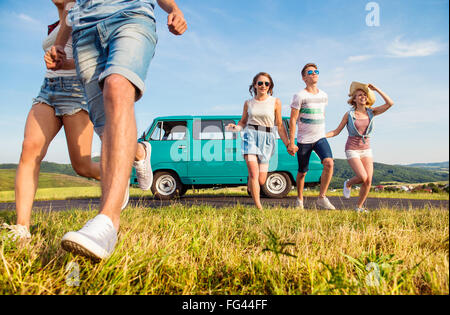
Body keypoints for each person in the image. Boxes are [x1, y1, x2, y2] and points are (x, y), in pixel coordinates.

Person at [45, 0, 187, 260]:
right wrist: (60, 42)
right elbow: (71, 5)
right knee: (105, 129)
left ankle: (107, 222)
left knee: (117, 85)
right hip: (84, 31)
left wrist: (174, 9)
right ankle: (140, 151)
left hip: (131, 14)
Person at [1, 0, 106, 241]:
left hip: (76, 91)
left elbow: (98, 59)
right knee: (30, 149)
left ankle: (117, 178)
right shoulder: (54, 24)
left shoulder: (81, 14)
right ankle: (21, 228)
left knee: (82, 166)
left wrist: (66, 63)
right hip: (48, 88)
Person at [326, 82, 394, 212]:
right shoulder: (349, 115)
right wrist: (322, 136)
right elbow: (336, 131)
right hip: (352, 149)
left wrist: (377, 89)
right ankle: (348, 183)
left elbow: (390, 103)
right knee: (362, 177)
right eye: (359, 95)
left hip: (366, 150)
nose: (362, 97)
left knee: (368, 181)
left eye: (364, 95)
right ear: (354, 99)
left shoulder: (372, 112)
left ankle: (359, 207)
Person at [227, 72, 291, 210]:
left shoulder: (275, 102)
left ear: (270, 86)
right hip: (250, 136)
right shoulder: (248, 103)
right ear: (255, 85)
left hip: (268, 138)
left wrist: (288, 144)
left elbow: (279, 125)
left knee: (261, 180)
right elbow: (243, 122)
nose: (263, 86)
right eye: (260, 83)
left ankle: (250, 181)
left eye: (266, 83)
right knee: (255, 174)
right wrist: (236, 128)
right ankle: (258, 206)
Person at [288, 63, 336, 210]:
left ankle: (321, 198)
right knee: (302, 172)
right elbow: (293, 119)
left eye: (316, 71)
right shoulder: (299, 96)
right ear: (304, 77)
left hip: (320, 137)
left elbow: (321, 114)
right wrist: (291, 142)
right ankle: (299, 200)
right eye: (310, 72)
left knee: (329, 163)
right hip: (304, 140)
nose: (314, 73)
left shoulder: (324, 95)